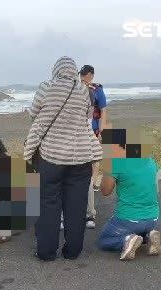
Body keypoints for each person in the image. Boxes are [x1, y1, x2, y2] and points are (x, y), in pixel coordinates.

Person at [24, 56, 102, 261]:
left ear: (56, 70)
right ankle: (72, 251)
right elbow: (87, 116)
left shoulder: (46, 87)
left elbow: (33, 114)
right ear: (74, 71)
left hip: (51, 156)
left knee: (48, 204)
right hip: (81, 156)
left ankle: (46, 252)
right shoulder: (84, 90)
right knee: (76, 206)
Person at [96, 128, 161, 261]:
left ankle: (128, 240)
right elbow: (156, 189)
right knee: (141, 228)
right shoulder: (149, 159)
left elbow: (105, 191)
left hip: (128, 219)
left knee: (104, 240)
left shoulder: (115, 162)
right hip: (153, 217)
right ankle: (148, 236)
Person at [79, 65, 109, 229]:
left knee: (95, 157)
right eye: (82, 74)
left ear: (91, 75)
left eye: (86, 75)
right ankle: (90, 185)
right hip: (81, 127)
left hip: (95, 126)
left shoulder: (97, 90)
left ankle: (93, 180)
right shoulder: (76, 87)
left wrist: (102, 128)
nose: (83, 77)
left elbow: (103, 109)